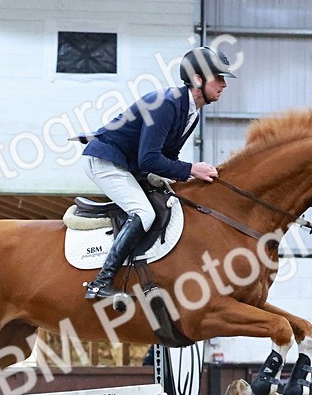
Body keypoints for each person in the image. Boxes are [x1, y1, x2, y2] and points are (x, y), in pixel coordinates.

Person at [81, 46, 235, 300]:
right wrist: (191, 169)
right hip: (106, 160)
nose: (223, 85)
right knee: (144, 212)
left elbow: (167, 158)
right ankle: (101, 282)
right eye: (218, 78)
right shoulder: (166, 104)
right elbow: (149, 158)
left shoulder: (191, 113)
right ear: (198, 79)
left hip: (131, 166)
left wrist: (189, 175)